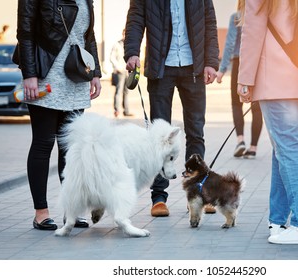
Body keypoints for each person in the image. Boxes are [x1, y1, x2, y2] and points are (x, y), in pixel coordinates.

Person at [124, 0, 219, 217]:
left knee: (196, 132)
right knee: (159, 137)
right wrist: (132, 52)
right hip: (160, 67)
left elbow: (210, 23)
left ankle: (196, 195)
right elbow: (135, 19)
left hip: (193, 67)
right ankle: (159, 197)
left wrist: (211, 62)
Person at [238, 0, 298, 244]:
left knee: (288, 150)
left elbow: (253, 30)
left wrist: (245, 78)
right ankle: (277, 221)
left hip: (276, 76)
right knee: (282, 149)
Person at [14, 0, 102, 230]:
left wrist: (95, 73)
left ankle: (71, 210)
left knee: (71, 148)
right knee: (44, 143)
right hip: (46, 76)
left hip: (77, 76)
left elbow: (89, 36)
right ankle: (41, 212)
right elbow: (25, 32)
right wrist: (29, 73)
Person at [216, 0, 263, 159]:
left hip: (238, 64)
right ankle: (253, 148)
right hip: (257, 64)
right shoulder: (260, 16)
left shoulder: (236, 17)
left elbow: (229, 44)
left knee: (236, 103)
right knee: (257, 107)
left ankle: (240, 140)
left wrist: (222, 70)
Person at [110, 28, 133, 118]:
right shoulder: (117, 44)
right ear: (122, 34)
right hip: (120, 71)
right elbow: (112, 57)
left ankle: (126, 111)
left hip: (128, 72)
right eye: (124, 34)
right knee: (118, 91)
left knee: (126, 91)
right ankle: (117, 110)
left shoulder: (130, 45)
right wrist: (117, 67)